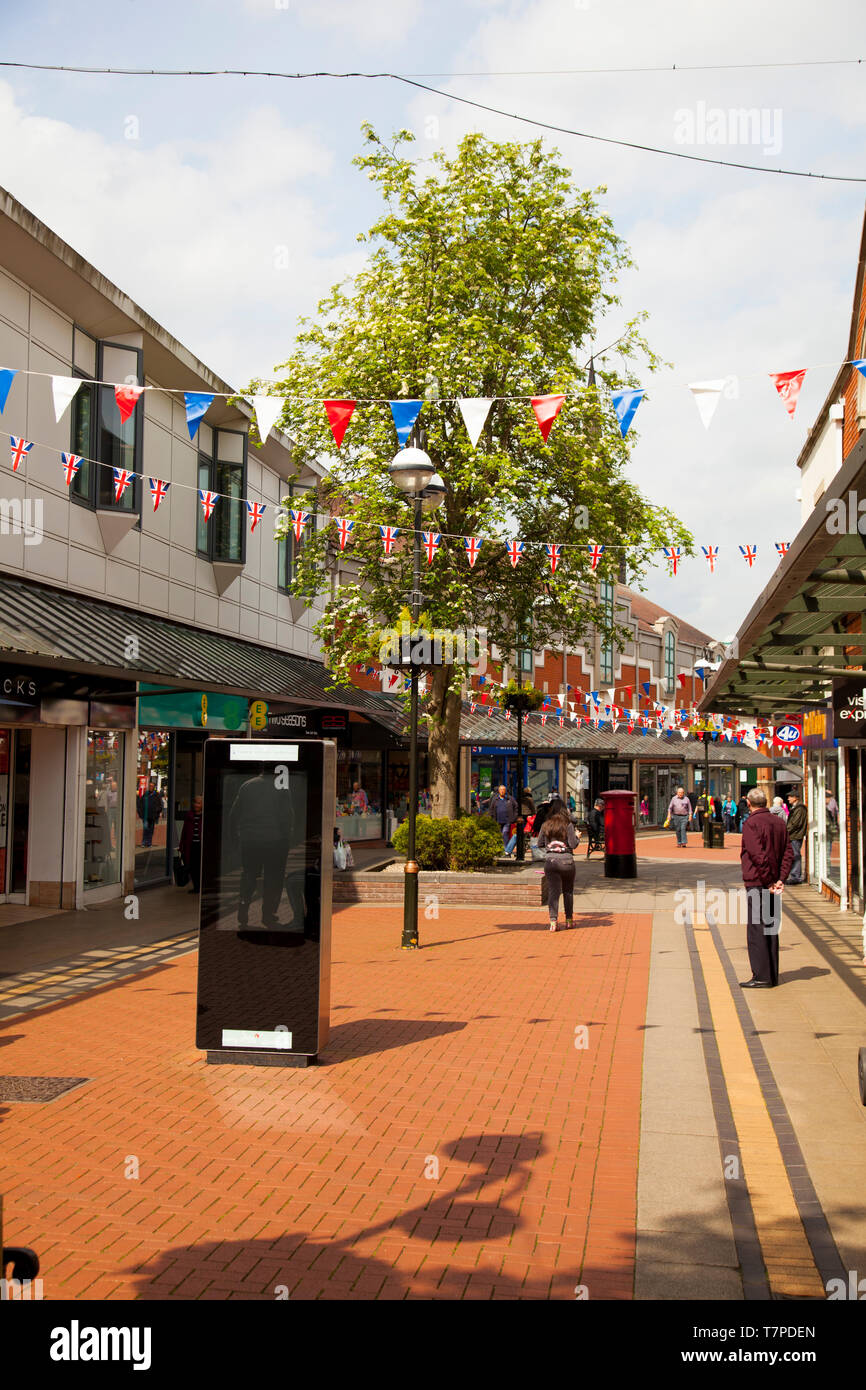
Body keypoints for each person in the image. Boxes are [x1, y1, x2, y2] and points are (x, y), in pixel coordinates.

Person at [739, 787, 793, 988]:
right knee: (770, 927)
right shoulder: (779, 822)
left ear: (749, 803)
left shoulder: (751, 823)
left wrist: (769, 880)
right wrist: (781, 878)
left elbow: (757, 855)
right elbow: (789, 853)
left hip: (758, 882)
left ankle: (761, 975)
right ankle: (771, 974)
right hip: (773, 883)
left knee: (757, 929)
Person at [536, 798, 579, 931]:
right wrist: (577, 836)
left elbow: (539, 844)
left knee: (553, 893)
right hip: (567, 861)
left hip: (551, 862)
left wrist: (550, 846)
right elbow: (573, 844)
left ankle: (553, 922)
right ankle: (569, 921)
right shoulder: (568, 825)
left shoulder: (546, 825)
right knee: (568, 892)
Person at [180, 794, 203, 893]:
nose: (196, 805)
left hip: (201, 847)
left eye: (198, 803)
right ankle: (196, 887)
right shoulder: (189, 815)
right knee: (193, 868)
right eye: (195, 802)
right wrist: (182, 846)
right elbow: (184, 832)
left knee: (200, 867)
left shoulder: (204, 816)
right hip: (192, 846)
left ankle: (201, 887)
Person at [487, 784, 518, 853]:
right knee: (500, 835)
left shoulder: (510, 799)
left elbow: (516, 807)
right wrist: (491, 817)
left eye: (503, 790)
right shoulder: (495, 799)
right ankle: (503, 850)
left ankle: (506, 850)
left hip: (507, 820)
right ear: (498, 791)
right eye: (501, 790)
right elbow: (491, 809)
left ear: (505, 791)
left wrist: (514, 817)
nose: (502, 791)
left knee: (505, 833)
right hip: (497, 820)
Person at [785, 792, 807, 885]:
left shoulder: (800, 809)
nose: (788, 799)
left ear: (796, 798)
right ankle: (794, 875)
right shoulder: (796, 808)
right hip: (793, 835)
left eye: (790, 797)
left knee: (795, 855)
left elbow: (795, 823)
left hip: (795, 835)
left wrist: (786, 831)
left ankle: (795, 877)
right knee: (793, 855)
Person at [137, 778, 163, 849]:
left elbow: (160, 805)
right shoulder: (145, 795)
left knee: (151, 830)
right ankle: (144, 842)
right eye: (150, 786)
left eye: (152, 786)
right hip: (145, 816)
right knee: (145, 829)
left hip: (152, 816)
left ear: (154, 787)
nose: (151, 787)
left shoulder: (156, 796)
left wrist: (156, 812)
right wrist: (140, 813)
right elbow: (140, 804)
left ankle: (149, 843)